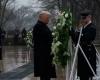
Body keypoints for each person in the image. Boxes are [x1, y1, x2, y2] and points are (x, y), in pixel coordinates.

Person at [71, 10, 96, 80]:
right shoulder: (82, 27)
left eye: (84, 18)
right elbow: (76, 39)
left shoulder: (92, 27)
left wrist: (79, 31)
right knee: (82, 73)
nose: (82, 20)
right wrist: (72, 32)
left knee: (87, 73)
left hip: (88, 52)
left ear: (89, 17)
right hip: (82, 52)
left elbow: (85, 38)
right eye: (82, 18)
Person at [33, 11, 56, 80]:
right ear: (42, 17)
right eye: (47, 18)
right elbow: (43, 40)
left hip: (46, 56)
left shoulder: (43, 25)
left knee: (46, 76)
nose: (48, 19)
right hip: (43, 57)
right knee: (44, 76)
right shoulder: (38, 26)